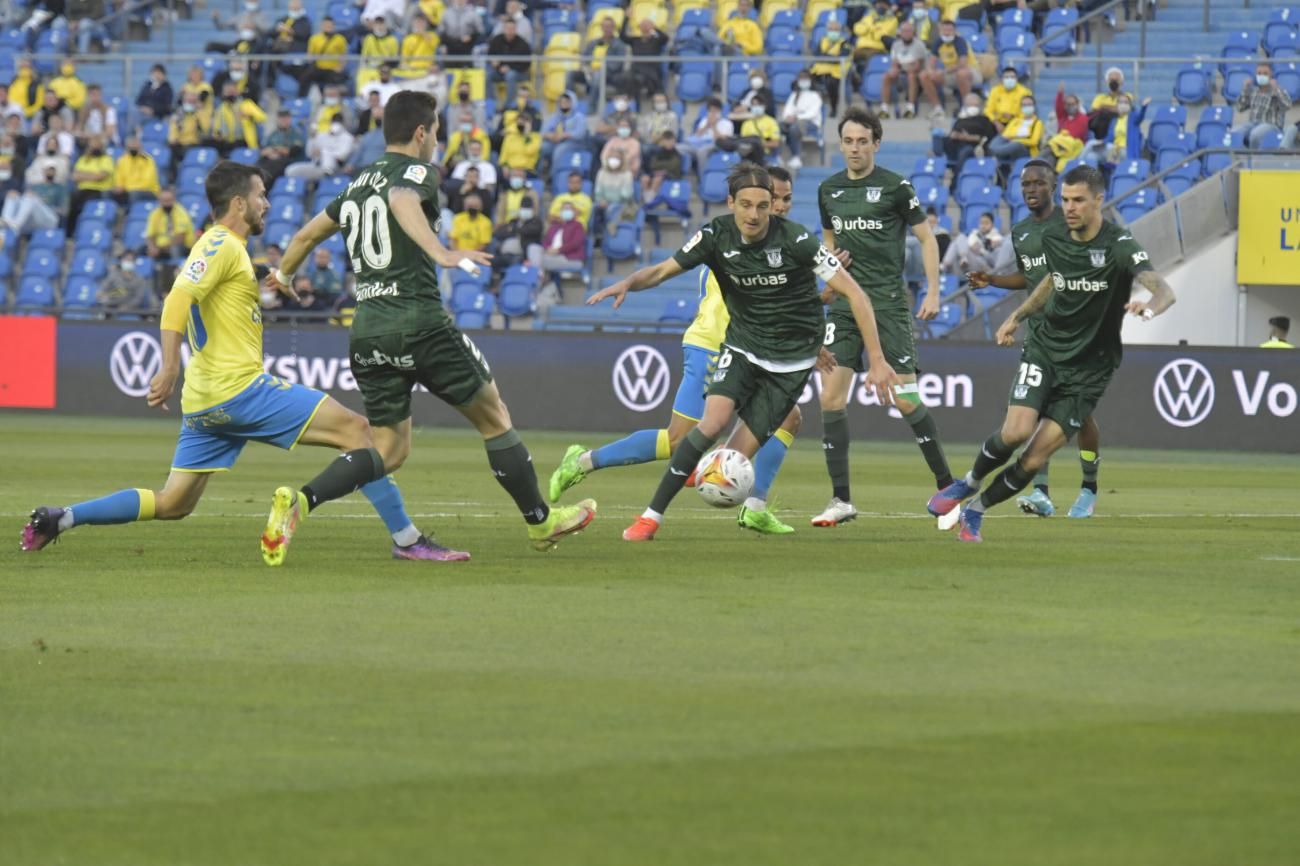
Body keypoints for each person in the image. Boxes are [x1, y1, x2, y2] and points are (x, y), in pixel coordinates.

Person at [22, 161, 456, 565]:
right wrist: (168, 365)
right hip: (239, 389)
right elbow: (177, 298)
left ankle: (62, 518)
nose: (267, 202)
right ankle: (407, 540)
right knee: (360, 432)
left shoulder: (226, 251)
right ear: (238, 203)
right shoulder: (221, 244)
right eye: (262, 194)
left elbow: (212, 291)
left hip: (206, 402)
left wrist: (268, 279)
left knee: (174, 503)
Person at [266, 89, 597, 553]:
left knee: (389, 451)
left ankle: (301, 500)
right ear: (421, 132)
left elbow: (304, 235)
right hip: (419, 321)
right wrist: (441, 252)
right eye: (437, 132)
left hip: (367, 331)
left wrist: (282, 275)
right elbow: (402, 199)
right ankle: (540, 523)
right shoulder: (417, 172)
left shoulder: (356, 184)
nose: (437, 141)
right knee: (494, 417)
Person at [586, 162, 900, 542]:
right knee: (712, 422)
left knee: (729, 462)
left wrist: (878, 360)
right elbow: (662, 271)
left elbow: (855, 292)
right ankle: (650, 518)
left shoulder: (797, 241)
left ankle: (728, 488)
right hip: (743, 345)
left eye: (764, 206)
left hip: (790, 364)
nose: (755, 215)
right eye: (747, 205)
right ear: (731, 203)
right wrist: (628, 282)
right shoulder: (715, 235)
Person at [549, 166, 810, 535]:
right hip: (713, 344)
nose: (779, 207)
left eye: (784, 200)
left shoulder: (780, 242)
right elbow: (665, 271)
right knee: (678, 441)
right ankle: (584, 461)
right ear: (739, 203)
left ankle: (752, 503)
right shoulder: (728, 237)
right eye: (773, 199)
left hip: (752, 350)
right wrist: (627, 281)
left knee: (788, 416)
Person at [928, 165, 1176, 542]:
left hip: (1090, 367)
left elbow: (1163, 291)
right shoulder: (1054, 238)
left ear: (1098, 200)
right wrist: (1016, 316)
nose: (1070, 207)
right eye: (1066, 200)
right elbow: (1047, 281)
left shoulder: (1119, 244)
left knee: (1033, 458)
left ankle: (977, 513)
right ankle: (969, 483)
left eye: (1078, 200)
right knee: (1016, 432)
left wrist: (1149, 307)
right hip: (1044, 348)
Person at [813, 108, 950, 527]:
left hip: (888, 304)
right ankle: (841, 500)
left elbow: (926, 238)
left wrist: (932, 289)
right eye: (848, 141)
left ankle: (949, 489)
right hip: (845, 305)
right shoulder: (829, 190)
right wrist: (828, 273)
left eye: (862, 141)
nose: (855, 148)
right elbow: (828, 246)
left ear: (876, 143)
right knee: (830, 398)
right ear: (841, 144)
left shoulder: (895, 187)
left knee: (906, 399)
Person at [967, 160, 1105, 518]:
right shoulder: (1023, 230)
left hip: (1078, 336)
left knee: (1082, 418)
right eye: (1025, 184)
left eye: (1038, 183)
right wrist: (992, 280)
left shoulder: (1072, 222)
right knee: (1038, 411)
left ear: (1053, 186)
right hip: (1041, 335)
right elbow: (1031, 278)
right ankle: (1040, 491)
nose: (1030, 189)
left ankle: (1089, 487)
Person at [144, 187, 197, 295]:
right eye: (164, 201)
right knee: (140, 251)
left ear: (174, 200)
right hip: (161, 248)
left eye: (169, 200)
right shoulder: (156, 213)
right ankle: (152, 291)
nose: (166, 204)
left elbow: (180, 238)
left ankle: (174, 284)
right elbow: (150, 235)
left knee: (175, 250)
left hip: (183, 247)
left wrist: (160, 249)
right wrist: (152, 247)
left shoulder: (180, 212)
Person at [569, 14, 629, 109]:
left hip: (609, 75)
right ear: (601, 27)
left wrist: (601, 68)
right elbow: (584, 57)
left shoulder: (619, 45)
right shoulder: (594, 42)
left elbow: (618, 64)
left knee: (598, 75)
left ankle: (591, 107)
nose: (607, 29)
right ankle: (569, 104)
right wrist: (587, 69)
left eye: (609, 26)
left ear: (613, 28)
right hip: (590, 72)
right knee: (571, 74)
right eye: (605, 26)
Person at [921, 18, 981, 111]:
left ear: (954, 31)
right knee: (924, 75)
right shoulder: (938, 42)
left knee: (962, 74)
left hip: (971, 72)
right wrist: (931, 71)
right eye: (944, 30)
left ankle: (966, 107)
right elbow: (931, 61)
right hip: (950, 73)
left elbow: (962, 64)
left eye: (949, 30)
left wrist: (943, 72)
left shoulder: (960, 42)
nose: (947, 33)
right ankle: (937, 108)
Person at [935, 92, 997, 180]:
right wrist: (955, 135)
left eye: (974, 105)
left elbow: (986, 137)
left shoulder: (984, 120)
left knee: (965, 152)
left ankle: (957, 180)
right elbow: (953, 133)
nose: (972, 108)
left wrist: (968, 137)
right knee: (938, 138)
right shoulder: (960, 120)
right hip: (955, 143)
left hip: (972, 146)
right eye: (969, 105)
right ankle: (935, 166)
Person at [1, 155, 67, 234]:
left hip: (51, 218)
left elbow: (63, 210)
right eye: (48, 169)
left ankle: (15, 225)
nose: (50, 172)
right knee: (13, 195)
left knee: (31, 198)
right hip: (34, 220)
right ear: (43, 171)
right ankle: (6, 222)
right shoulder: (36, 187)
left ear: (56, 172)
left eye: (52, 170)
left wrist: (41, 202)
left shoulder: (60, 188)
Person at [1234, 63, 1293, 150]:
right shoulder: (1253, 91)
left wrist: (1276, 89)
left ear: (1271, 75)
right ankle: (1242, 156)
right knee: (1235, 133)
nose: (1261, 76)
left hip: (1271, 125)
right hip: (1253, 123)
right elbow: (1239, 107)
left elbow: (1288, 105)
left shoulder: (1278, 90)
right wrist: (1245, 89)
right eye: (1259, 73)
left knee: (1255, 134)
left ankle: (1254, 158)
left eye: (1265, 74)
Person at [879, 19, 928, 118]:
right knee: (887, 76)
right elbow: (894, 62)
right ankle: (884, 109)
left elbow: (917, 66)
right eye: (904, 31)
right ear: (900, 33)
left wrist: (902, 67)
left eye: (909, 31)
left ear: (913, 33)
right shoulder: (896, 45)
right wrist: (895, 69)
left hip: (916, 73)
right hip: (902, 70)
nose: (906, 33)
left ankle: (910, 108)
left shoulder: (919, 45)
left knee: (911, 75)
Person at [68, 132, 113, 228]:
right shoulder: (83, 159)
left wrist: (84, 175)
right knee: (70, 202)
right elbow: (75, 176)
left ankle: (87, 228)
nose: (94, 146)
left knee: (87, 203)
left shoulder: (106, 159)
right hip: (81, 190)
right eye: (92, 143)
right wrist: (92, 175)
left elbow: (101, 176)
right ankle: (69, 232)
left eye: (97, 143)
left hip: (98, 190)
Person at [780, 70, 823, 171]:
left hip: (811, 123)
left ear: (810, 80)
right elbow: (787, 110)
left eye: (805, 78)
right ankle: (776, 157)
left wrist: (797, 117)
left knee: (794, 128)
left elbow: (812, 113)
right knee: (780, 126)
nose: (803, 81)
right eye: (801, 79)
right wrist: (788, 117)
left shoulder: (815, 96)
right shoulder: (794, 95)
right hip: (794, 121)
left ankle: (796, 157)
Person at [987, 94, 1044, 169]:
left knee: (1016, 144)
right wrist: (1013, 137)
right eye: (1024, 105)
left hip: (1025, 149)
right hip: (1009, 144)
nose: (1027, 107)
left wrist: (1017, 139)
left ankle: (995, 154)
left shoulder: (1038, 122)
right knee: (999, 138)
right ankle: (995, 151)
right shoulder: (1015, 121)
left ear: (1034, 106)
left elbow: (1034, 141)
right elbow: (1006, 135)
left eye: (1029, 105)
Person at [299, 15, 349, 97]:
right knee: (304, 77)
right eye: (326, 25)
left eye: (330, 25)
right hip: (319, 68)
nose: (328, 27)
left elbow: (344, 56)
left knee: (336, 80)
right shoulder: (315, 38)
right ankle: (301, 99)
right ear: (321, 26)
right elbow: (310, 55)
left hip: (332, 69)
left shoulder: (340, 39)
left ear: (333, 26)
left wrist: (340, 67)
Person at [810, 17, 851, 117]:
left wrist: (826, 57)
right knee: (807, 79)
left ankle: (833, 108)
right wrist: (831, 58)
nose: (833, 32)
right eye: (831, 30)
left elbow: (842, 56)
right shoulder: (822, 40)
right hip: (820, 70)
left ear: (840, 31)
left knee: (831, 83)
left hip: (836, 72)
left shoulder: (844, 43)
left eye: (835, 30)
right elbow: (817, 54)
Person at [486, 16, 531, 105]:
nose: (510, 30)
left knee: (510, 75)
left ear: (516, 29)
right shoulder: (496, 40)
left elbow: (526, 64)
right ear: (504, 28)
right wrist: (496, 64)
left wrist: (510, 68)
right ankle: (492, 103)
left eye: (512, 28)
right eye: (508, 28)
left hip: (519, 73)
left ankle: (509, 105)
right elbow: (490, 56)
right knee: (487, 75)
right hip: (499, 71)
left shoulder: (523, 43)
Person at [539, 204, 586, 289]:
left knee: (539, 261)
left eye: (569, 209)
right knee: (533, 248)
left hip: (570, 258)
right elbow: (545, 241)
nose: (566, 211)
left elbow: (575, 243)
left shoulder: (578, 226)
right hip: (550, 256)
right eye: (564, 209)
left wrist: (558, 250)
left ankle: (538, 286)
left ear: (574, 212)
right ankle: (543, 282)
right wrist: (547, 249)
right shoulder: (554, 226)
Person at [112, 133, 161, 204]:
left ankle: (130, 213)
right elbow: (119, 177)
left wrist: (128, 188)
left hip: (149, 191)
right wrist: (120, 187)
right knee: (110, 193)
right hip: (127, 190)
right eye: (131, 145)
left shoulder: (147, 160)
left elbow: (148, 182)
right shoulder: (122, 160)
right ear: (127, 147)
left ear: (140, 146)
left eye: (135, 145)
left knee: (134, 194)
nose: (133, 147)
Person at [258, 109, 306, 180]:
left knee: (271, 168)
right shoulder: (273, 134)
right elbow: (263, 151)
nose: (283, 120)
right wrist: (272, 153)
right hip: (270, 160)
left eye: (286, 118)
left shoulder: (296, 133)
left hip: (288, 162)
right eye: (281, 118)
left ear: (290, 119)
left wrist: (274, 149)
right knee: (257, 166)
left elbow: (292, 151)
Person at [438, 0, 484, 67]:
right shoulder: (446, 13)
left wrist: (471, 37)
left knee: (466, 72)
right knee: (450, 72)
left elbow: (480, 32)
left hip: (467, 47)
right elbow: (441, 31)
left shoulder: (473, 13)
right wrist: (443, 44)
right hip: (450, 47)